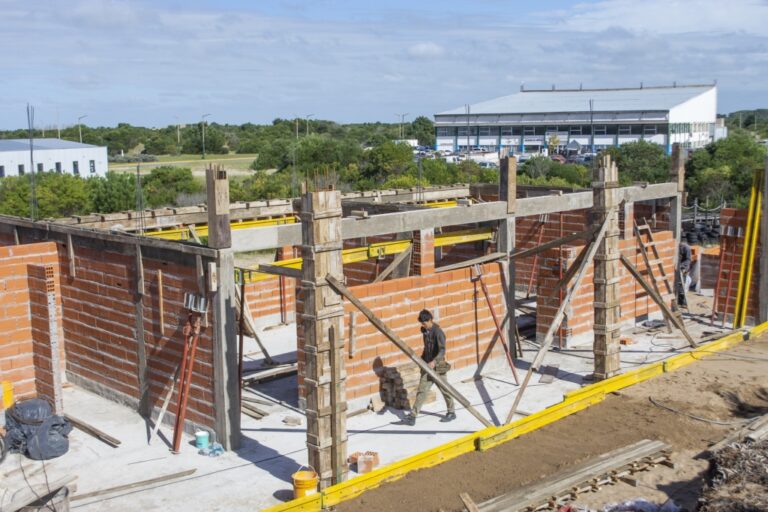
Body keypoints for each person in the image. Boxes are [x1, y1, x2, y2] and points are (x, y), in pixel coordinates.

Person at [404, 309, 455, 426]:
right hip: (427, 367)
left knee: (445, 390)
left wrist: (434, 361)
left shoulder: (438, 333)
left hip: (438, 367)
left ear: (430, 320)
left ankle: (451, 412)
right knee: (422, 390)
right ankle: (413, 416)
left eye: (424, 323)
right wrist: (422, 359)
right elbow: (426, 348)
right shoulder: (425, 332)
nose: (423, 326)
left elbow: (442, 350)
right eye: (422, 323)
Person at [677, 241, 692, 308]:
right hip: (677, 267)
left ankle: (682, 302)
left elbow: (688, 260)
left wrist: (682, 267)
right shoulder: (676, 246)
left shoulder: (686, 248)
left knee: (682, 285)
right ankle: (678, 301)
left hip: (683, 268)